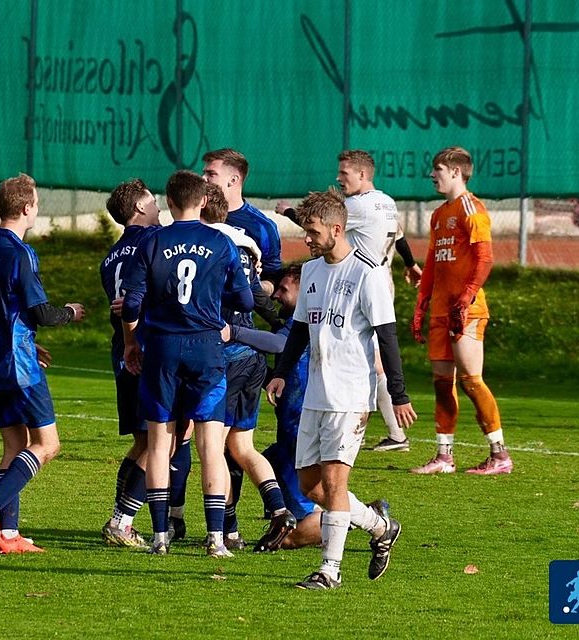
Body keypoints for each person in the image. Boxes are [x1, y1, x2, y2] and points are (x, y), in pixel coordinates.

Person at [266, 188, 417, 590]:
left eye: (312, 231)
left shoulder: (367, 274)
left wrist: (398, 394)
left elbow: (387, 336)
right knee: (308, 485)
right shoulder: (312, 271)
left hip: (350, 396)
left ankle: (329, 570)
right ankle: (380, 525)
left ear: (336, 228)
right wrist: (281, 371)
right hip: (316, 392)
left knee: (334, 484)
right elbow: (300, 328)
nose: (307, 238)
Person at [121, 170, 253, 557]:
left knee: (160, 442)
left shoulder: (153, 240)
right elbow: (245, 301)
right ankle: (215, 538)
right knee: (211, 445)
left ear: (170, 201)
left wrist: (132, 342)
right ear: (204, 201)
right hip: (207, 349)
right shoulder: (221, 242)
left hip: (161, 348)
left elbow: (131, 302)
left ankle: (160, 536)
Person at [0, 173, 86, 553]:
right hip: (15, 362)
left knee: (14, 444)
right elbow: (41, 313)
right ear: (27, 207)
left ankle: (8, 534)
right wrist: (70, 312)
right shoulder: (19, 252)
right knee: (47, 444)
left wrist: (29, 345)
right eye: (36, 202)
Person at [228, 263, 390, 550]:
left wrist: (233, 332)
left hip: (302, 421)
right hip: (290, 426)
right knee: (255, 461)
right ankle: (233, 525)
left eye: (284, 290)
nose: (276, 296)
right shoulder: (297, 320)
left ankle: (364, 519)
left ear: (305, 289)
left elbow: (279, 344)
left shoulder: (305, 323)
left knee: (308, 510)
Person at [276, 150, 421, 452]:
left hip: (356, 284)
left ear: (363, 174)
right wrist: (410, 263)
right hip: (380, 279)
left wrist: (287, 210)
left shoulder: (355, 206)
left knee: (366, 355)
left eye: (344, 173)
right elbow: (401, 237)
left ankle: (391, 430)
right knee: (366, 354)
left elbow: (317, 223)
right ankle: (380, 428)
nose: (339, 179)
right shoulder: (387, 202)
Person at [201, 182, 294, 552]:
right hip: (252, 356)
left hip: (223, 354)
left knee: (215, 447)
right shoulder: (244, 242)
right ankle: (277, 508)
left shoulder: (207, 244)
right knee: (242, 445)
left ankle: (224, 529)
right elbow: (256, 293)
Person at [410, 146, 513, 476]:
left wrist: (467, 296)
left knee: (471, 380)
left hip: (465, 310)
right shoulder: (439, 214)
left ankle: (499, 455)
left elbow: (485, 259)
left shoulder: (471, 207)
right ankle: (444, 456)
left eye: (437, 169)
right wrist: (420, 305)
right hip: (440, 311)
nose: (432, 176)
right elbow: (430, 266)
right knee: (442, 383)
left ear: (455, 172)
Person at [99, 179, 161, 548]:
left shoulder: (110, 257)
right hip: (147, 348)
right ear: (138, 207)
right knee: (163, 441)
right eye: (152, 201)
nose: (157, 207)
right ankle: (122, 520)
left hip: (121, 348)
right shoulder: (153, 243)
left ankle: (120, 515)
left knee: (143, 440)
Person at [203, 148, 282, 291]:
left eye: (211, 174)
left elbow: (272, 278)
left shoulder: (263, 227)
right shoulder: (195, 213)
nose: (203, 178)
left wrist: (249, 287)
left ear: (233, 180)